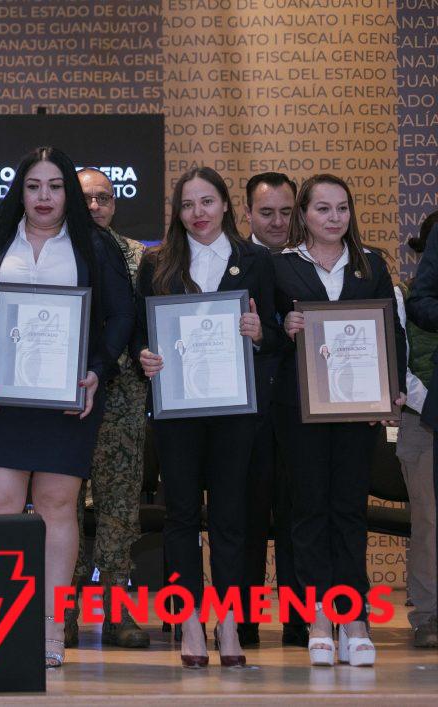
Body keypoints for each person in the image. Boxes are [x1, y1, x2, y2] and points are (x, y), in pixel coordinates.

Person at [0, 146, 134, 668]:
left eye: (54, 186)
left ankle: (52, 628)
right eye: (34, 186)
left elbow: (121, 316)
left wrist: (95, 370)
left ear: (68, 192)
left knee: (56, 505)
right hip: (4, 396)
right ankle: (2, 625)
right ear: (20, 192)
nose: (44, 196)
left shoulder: (94, 245)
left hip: (67, 399)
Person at [137, 166, 280, 668]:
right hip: (176, 411)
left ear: (224, 205)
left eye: (207, 202)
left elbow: (278, 335)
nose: (198, 213)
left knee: (230, 518)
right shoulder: (157, 263)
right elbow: (139, 332)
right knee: (180, 516)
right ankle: (191, 622)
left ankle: (229, 623)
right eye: (187, 204)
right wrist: (143, 355)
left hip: (235, 411)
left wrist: (260, 333)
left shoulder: (256, 261)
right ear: (177, 213)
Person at [275, 174, 406, 667]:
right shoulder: (280, 265)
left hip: (357, 410)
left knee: (348, 511)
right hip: (300, 410)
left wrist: (390, 389)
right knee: (309, 511)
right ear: (304, 215)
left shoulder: (371, 264)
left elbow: (391, 331)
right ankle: (319, 620)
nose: (334, 218)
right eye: (323, 209)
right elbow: (261, 334)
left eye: (342, 208)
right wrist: (283, 326)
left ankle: (354, 620)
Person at [65, 167, 149, 649]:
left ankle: (118, 611)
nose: (95, 206)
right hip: (66, 397)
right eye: (86, 199)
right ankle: (65, 610)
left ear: (115, 204)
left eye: (104, 198)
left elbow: (145, 324)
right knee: (64, 506)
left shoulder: (138, 256)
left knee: (119, 507)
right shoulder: (56, 252)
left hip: (122, 398)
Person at [237, 172, 308, 648]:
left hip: (302, 410)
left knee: (297, 518)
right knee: (245, 519)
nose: (278, 222)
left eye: (286, 212)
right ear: (247, 213)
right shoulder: (234, 262)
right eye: (267, 213)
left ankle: (300, 623)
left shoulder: (310, 262)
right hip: (246, 413)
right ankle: (242, 623)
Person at [400, 209, 438, 648]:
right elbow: (399, 363)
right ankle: (428, 616)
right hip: (421, 419)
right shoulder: (405, 298)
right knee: (428, 520)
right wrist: (430, 403)